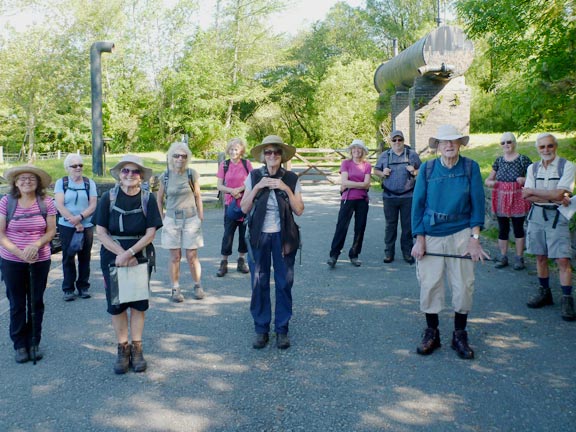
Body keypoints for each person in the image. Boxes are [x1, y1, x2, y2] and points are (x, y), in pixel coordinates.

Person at [411, 125, 489, 360]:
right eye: (444, 141)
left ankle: (459, 334)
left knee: (464, 285)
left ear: (459, 144)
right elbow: (418, 205)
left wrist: (475, 239)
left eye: (453, 141)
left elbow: (478, 204)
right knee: (430, 284)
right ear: (437, 145)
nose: (449, 145)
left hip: (462, 232)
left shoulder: (470, 167)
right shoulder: (427, 169)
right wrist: (419, 238)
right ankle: (432, 333)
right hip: (432, 232)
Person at [94, 155, 163, 374]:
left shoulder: (148, 199)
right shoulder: (108, 198)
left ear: (141, 176)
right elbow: (101, 232)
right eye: (126, 171)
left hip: (140, 255)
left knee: (137, 304)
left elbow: (151, 232)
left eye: (135, 172)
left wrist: (131, 253)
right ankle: (122, 349)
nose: (130, 175)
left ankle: (138, 348)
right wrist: (122, 254)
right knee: (117, 305)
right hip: (113, 257)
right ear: (120, 175)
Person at [240, 135, 304, 350]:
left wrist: (284, 188)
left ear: (282, 156)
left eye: (276, 152)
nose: (272, 156)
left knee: (284, 283)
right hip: (259, 237)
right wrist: (258, 187)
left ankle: (282, 330)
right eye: (268, 152)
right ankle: (261, 329)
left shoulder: (292, 178)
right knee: (259, 282)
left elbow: (299, 210)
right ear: (263, 156)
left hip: (284, 237)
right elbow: (243, 208)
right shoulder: (254, 176)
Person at [0, 166, 57, 363]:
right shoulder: (6, 202)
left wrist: (36, 245)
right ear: (15, 183)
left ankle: (34, 341)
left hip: (40, 259)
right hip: (12, 259)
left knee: (36, 301)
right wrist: (20, 253)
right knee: (16, 302)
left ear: (38, 182)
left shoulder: (46, 202)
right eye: (22, 178)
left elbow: (51, 231)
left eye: (31, 178)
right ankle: (19, 344)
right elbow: (1, 233)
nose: (26, 181)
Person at [522, 133, 575, 321]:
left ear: (556, 146)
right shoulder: (532, 168)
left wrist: (535, 192)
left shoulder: (567, 166)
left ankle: (567, 299)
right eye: (542, 147)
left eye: (550, 146)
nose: (546, 150)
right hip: (536, 215)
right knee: (540, 256)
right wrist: (553, 195)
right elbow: (525, 196)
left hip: (557, 216)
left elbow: (560, 194)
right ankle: (545, 293)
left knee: (562, 260)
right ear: (538, 149)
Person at [156, 142, 205, 302]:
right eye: (176, 155)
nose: (180, 158)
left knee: (192, 255)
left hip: (191, 218)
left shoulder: (191, 174)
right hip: (172, 219)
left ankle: (197, 285)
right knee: (175, 256)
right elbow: (159, 199)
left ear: (187, 158)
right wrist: (162, 218)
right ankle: (175, 288)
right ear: (171, 157)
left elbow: (198, 196)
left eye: (183, 156)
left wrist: (200, 216)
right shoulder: (166, 176)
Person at [485, 133, 532, 270]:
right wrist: (491, 183)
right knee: (503, 229)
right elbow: (488, 180)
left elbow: (535, 177)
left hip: (518, 197)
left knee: (518, 228)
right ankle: (503, 256)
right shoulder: (499, 161)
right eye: (503, 142)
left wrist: (525, 180)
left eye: (509, 142)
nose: (506, 144)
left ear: (514, 143)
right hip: (501, 197)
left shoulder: (523, 159)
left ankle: (519, 258)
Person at [54, 154, 98, 301]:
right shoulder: (62, 183)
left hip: (86, 225)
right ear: (67, 168)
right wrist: (74, 221)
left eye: (80, 165)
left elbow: (93, 204)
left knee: (85, 257)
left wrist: (80, 218)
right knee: (68, 257)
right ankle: (68, 288)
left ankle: (83, 287)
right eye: (74, 166)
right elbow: (59, 204)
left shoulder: (89, 183)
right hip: (67, 226)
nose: (78, 168)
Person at [374, 130, 422, 264]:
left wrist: (415, 171)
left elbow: (423, 170)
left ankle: (407, 252)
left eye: (399, 140)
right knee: (390, 225)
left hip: (408, 196)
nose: (397, 142)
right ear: (390, 142)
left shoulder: (412, 155)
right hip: (389, 196)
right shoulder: (385, 155)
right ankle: (389, 252)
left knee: (407, 226)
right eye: (394, 140)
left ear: (403, 141)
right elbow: (375, 170)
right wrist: (382, 173)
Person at [326, 139, 372, 268]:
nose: (356, 151)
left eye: (359, 148)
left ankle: (354, 254)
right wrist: (360, 184)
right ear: (351, 150)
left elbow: (367, 184)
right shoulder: (346, 163)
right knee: (341, 227)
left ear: (363, 151)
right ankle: (334, 255)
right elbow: (345, 182)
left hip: (362, 200)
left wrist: (353, 184)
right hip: (348, 198)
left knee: (360, 228)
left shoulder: (367, 165)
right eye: (354, 148)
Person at [215, 138, 253, 277]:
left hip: (245, 203)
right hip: (230, 204)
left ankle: (241, 260)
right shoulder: (224, 165)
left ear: (241, 150)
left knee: (244, 234)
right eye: (231, 149)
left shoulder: (246, 164)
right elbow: (219, 185)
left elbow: (252, 181)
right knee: (228, 234)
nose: (233, 151)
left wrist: (240, 189)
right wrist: (232, 191)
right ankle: (224, 262)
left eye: (236, 149)